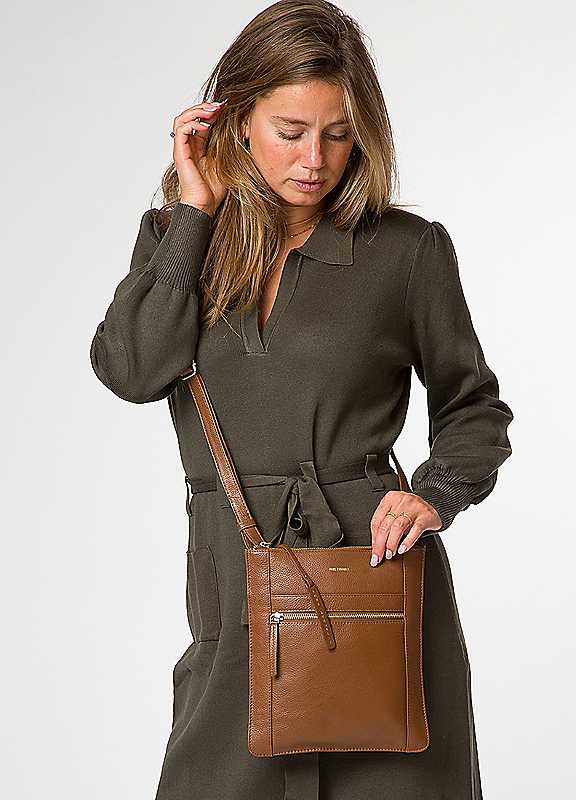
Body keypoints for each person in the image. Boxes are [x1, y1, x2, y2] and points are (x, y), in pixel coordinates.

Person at [89, 1, 513, 797]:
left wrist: (435, 493)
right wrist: (195, 212)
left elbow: (474, 407)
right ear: (237, 120)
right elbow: (132, 369)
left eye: (338, 134)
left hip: (374, 580)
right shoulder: (177, 239)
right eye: (290, 131)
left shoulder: (406, 251)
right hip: (234, 578)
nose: (315, 160)